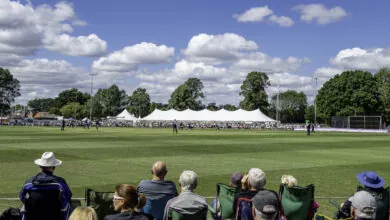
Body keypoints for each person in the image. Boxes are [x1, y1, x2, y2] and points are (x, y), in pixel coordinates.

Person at [20, 152, 72, 220]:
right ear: (54, 167)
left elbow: (22, 198)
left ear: (40, 166)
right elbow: (67, 197)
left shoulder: (28, 184)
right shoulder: (60, 184)